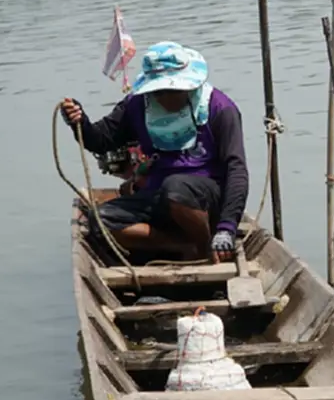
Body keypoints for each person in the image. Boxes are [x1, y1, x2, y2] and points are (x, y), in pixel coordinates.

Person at [61, 41, 249, 263]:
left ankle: (206, 248)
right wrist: (79, 122)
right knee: (97, 221)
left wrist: (227, 227)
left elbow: (236, 169)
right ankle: (182, 246)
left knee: (176, 187)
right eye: (159, 91)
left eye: (173, 90)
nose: (165, 98)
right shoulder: (138, 104)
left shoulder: (219, 108)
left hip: (205, 200)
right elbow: (101, 140)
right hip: (159, 195)